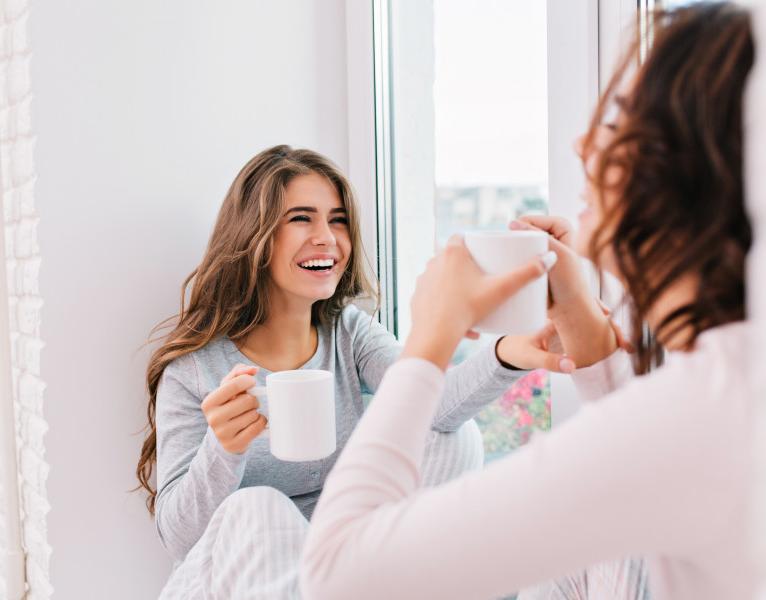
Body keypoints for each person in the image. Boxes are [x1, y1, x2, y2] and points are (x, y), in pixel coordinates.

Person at [299, 3, 755, 600]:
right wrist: (588, 335)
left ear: (700, 174)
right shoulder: (732, 382)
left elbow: (337, 573)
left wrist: (431, 336)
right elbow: (641, 460)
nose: (583, 144)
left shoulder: (703, 412)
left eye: (620, 124)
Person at [135, 144, 582, 597]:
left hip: (335, 577)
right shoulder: (193, 370)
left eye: (338, 219)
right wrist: (223, 450)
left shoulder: (349, 333)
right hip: (232, 581)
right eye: (301, 218)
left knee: (452, 436)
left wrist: (509, 352)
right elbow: (180, 540)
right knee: (258, 507)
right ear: (254, 236)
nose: (328, 237)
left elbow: (433, 401)